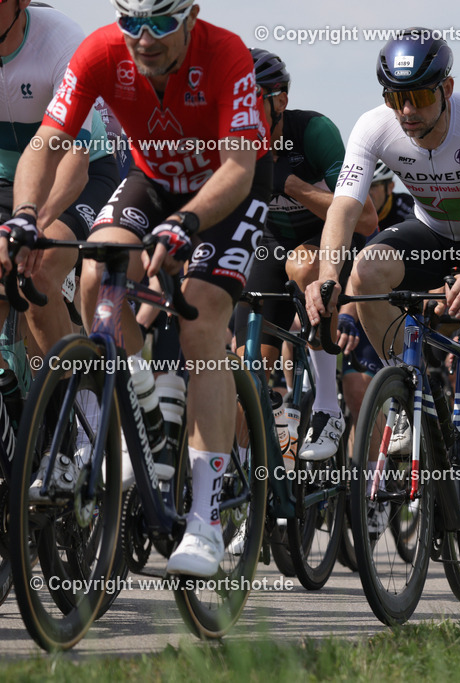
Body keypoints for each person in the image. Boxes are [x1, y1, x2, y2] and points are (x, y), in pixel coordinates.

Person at [1, 0, 273, 576]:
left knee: (199, 318)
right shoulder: (99, 50)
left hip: (226, 190)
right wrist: (26, 212)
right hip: (151, 179)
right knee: (97, 272)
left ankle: (207, 517)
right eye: (131, 24)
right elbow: (48, 140)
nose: (143, 40)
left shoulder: (225, 55)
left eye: (160, 25)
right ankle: (138, 394)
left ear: (192, 17)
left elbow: (239, 167)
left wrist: (189, 222)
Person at [306, 29, 460, 579]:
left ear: (447, 87)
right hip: (431, 234)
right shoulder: (373, 127)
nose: (407, 110)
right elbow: (343, 211)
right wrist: (327, 275)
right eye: (395, 97)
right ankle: (408, 388)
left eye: (421, 96)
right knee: (367, 270)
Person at [233, 48, 376, 464]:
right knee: (247, 371)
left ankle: (329, 408)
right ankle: (244, 491)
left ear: (280, 100)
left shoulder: (314, 132)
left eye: (254, 100)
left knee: (305, 264)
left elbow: (366, 220)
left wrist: (292, 185)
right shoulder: (235, 138)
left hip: (322, 244)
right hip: (270, 244)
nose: (243, 112)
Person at [0, 1, 119, 376]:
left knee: (38, 268)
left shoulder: (61, 42)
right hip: (7, 175)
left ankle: (69, 405)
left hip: (80, 169)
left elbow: (73, 160)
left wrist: (33, 222)